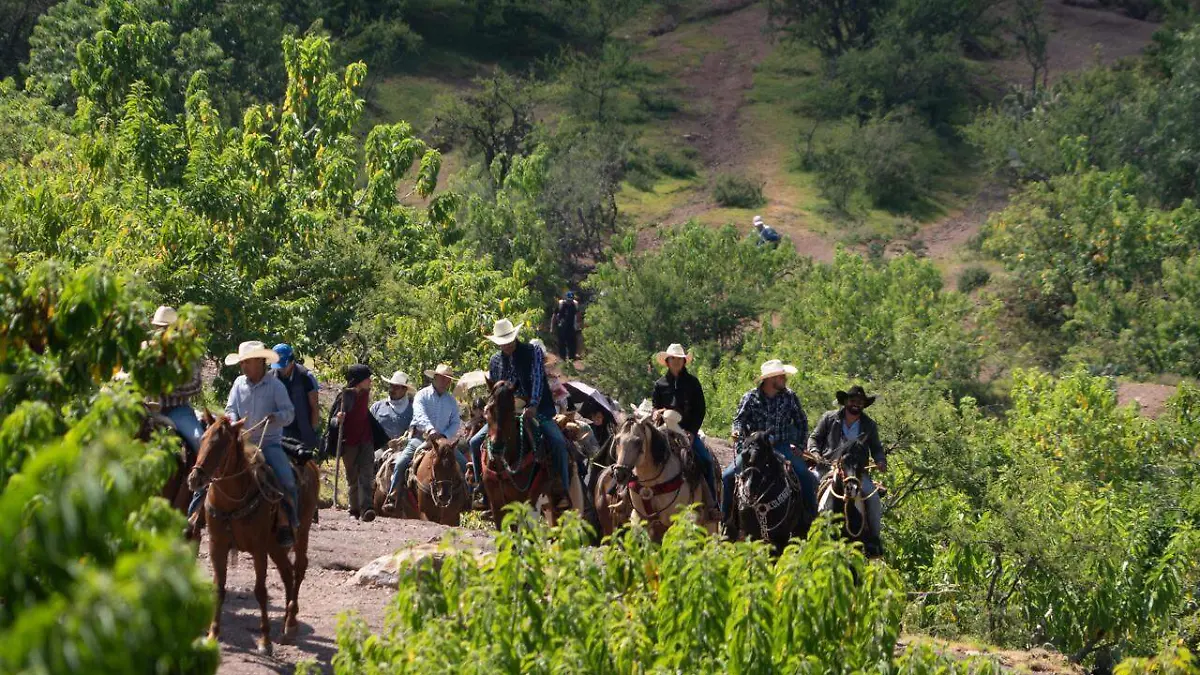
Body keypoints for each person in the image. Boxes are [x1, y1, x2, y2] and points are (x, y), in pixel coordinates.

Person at [468, 319, 572, 503]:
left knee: (557, 442)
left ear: (515, 337)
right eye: (502, 343)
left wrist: (533, 404)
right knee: (475, 442)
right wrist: (490, 406)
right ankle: (481, 488)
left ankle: (561, 488)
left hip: (535, 408)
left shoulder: (533, 352)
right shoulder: (495, 361)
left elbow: (538, 379)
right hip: (505, 412)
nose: (506, 345)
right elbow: (494, 389)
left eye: (509, 341)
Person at [221, 341, 299, 547]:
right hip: (241, 443)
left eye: (246, 362)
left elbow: (289, 413)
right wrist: (232, 420)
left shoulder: (276, 386)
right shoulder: (238, 384)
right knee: (214, 471)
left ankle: (289, 522)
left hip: (268, 443)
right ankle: (206, 517)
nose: (243, 366)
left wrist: (276, 417)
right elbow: (230, 408)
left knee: (287, 479)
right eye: (242, 362)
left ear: (259, 362)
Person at [722, 359, 817, 520]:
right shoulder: (750, 397)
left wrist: (800, 446)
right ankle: (727, 519)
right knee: (727, 476)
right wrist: (737, 431)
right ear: (771, 379)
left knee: (805, 476)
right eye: (781, 376)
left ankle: (811, 517)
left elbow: (801, 422)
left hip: (782, 446)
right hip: (755, 448)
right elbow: (739, 420)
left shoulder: (790, 397)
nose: (785, 379)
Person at [807, 385, 886, 554]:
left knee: (873, 499)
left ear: (864, 405)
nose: (856, 404)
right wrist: (815, 452)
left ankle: (874, 540)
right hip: (828, 466)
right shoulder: (829, 418)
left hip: (856, 471)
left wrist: (880, 460)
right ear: (845, 401)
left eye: (860, 402)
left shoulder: (869, 425)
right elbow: (814, 438)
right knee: (808, 484)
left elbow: (876, 448)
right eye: (853, 400)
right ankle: (805, 530)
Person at [383, 364, 468, 511]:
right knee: (402, 462)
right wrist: (431, 430)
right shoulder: (422, 395)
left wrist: (445, 435)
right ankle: (393, 495)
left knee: (464, 464)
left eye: (448, 379)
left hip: (444, 442)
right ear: (435, 378)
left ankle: (467, 498)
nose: (445, 382)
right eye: (442, 378)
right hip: (421, 438)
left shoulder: (451, 401)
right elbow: (419, 414)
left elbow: (455, 421)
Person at [650, 343, 718, 503]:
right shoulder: (659, 384)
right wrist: (656, 412)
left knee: (706, 461)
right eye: (673, 358)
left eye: (679, 359)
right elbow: (655, 406)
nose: (676, 361)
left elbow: (700, 410)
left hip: (687, 431)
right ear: (667, 361)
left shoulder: (693, 383)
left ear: (684, 361)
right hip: (664, 431)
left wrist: (692, 432)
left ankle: (712, 504)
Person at [325, 365, 390, 521]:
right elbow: (332, 420)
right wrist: (338, 419)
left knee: (366, 474)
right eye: (368, 378)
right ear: (359, 381)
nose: (370, 381)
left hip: (366, 440)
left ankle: (367, 508)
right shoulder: (345, 396)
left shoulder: (365, 393)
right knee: (353, 477)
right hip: (349, 442)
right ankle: (354, 510)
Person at [150, 306, 204, 458]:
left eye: (165, 328)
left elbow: (196, 384)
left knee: (199, 440)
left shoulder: (185, 354)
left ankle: (208, 473)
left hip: (177, 410)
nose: (161, 332)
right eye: (158, 328)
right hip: (147, 410)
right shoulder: (147, 351)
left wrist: (172, 388)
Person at [272, 343, 321, 452]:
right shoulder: (271, 378)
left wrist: (314, 430)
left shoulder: (306, 377)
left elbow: (314, 406)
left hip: (302, 429)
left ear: (292, 361)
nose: (281, 369)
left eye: (284, 365)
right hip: (280, 431)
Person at [370, 371, 414, 441]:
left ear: (404, 389)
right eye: (391, 386)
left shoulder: (413, 409)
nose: (392, 389)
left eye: (396, 387)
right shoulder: (377, 407)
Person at [551, 292, 579, 360]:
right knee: (561, 344)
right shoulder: (561, 304)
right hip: (561, 328)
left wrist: (577, 326)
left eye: (571, 300)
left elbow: (577, 315)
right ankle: (562, 359)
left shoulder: (574, 305)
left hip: (571, 327)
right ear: (565, 299)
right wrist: (552, 327)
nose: (570, 302)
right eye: (568, 300)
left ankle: (571, 359)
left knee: (572, 345)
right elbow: (554, 316)